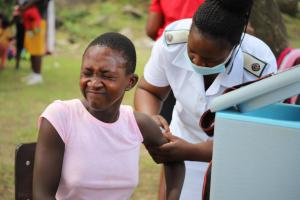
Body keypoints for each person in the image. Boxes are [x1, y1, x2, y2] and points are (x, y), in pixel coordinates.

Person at [134, 0, 277, 199]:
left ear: (234, 47)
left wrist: (191, 152)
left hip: (236, 158)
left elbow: (254, 137)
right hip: (182, 144)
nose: (198, 63)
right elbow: (149, 90)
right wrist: (150, 119)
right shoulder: (171, 42)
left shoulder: (258, 65)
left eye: (210, 60)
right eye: (191, 53)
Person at [32, 32, 185, 200]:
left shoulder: (137, 124)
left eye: (107, 76)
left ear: (130, 82)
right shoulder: (61, 117)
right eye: (87, 73)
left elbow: (175, 160)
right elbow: (42, 195)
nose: (94, 83)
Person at [20, 0, 48, 85]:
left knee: (37, 51)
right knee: (31, 49)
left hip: (38, 24)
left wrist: (24, 7)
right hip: (31, 23)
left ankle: (38, 76)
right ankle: (34, 73)